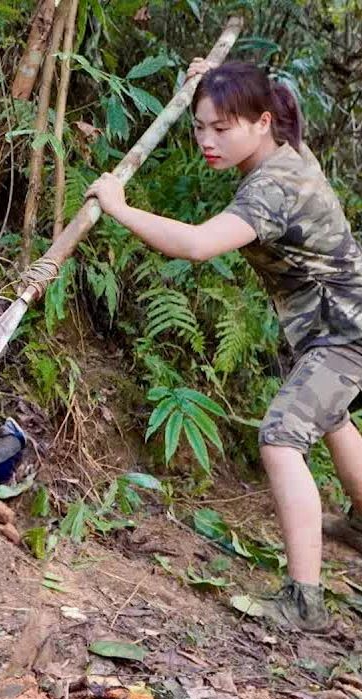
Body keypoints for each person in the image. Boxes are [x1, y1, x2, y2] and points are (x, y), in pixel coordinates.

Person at [86, 58, 362, 632]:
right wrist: (218, 76)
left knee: (282, 436)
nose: (208, 142)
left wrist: (119, 206)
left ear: (262, 123)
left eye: (222, 128)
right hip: (331, 326)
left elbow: (195, 245)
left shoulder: (272, 189)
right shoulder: (282, 134)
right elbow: (279, 90)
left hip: (346, 333)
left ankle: (305, 602)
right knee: (331, 418)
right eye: (201, 128)